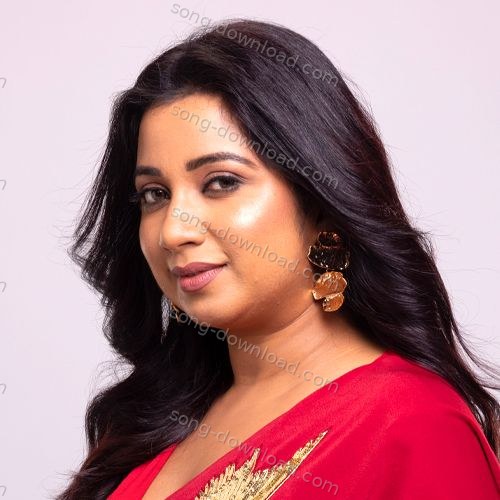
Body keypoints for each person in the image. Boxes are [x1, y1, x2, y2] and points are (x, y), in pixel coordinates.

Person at [56, 18, 500, 499]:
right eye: (154, 194)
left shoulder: (413, 423)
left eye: (221, 182)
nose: (173, 231)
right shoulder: (155, 422)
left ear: (319, 203)